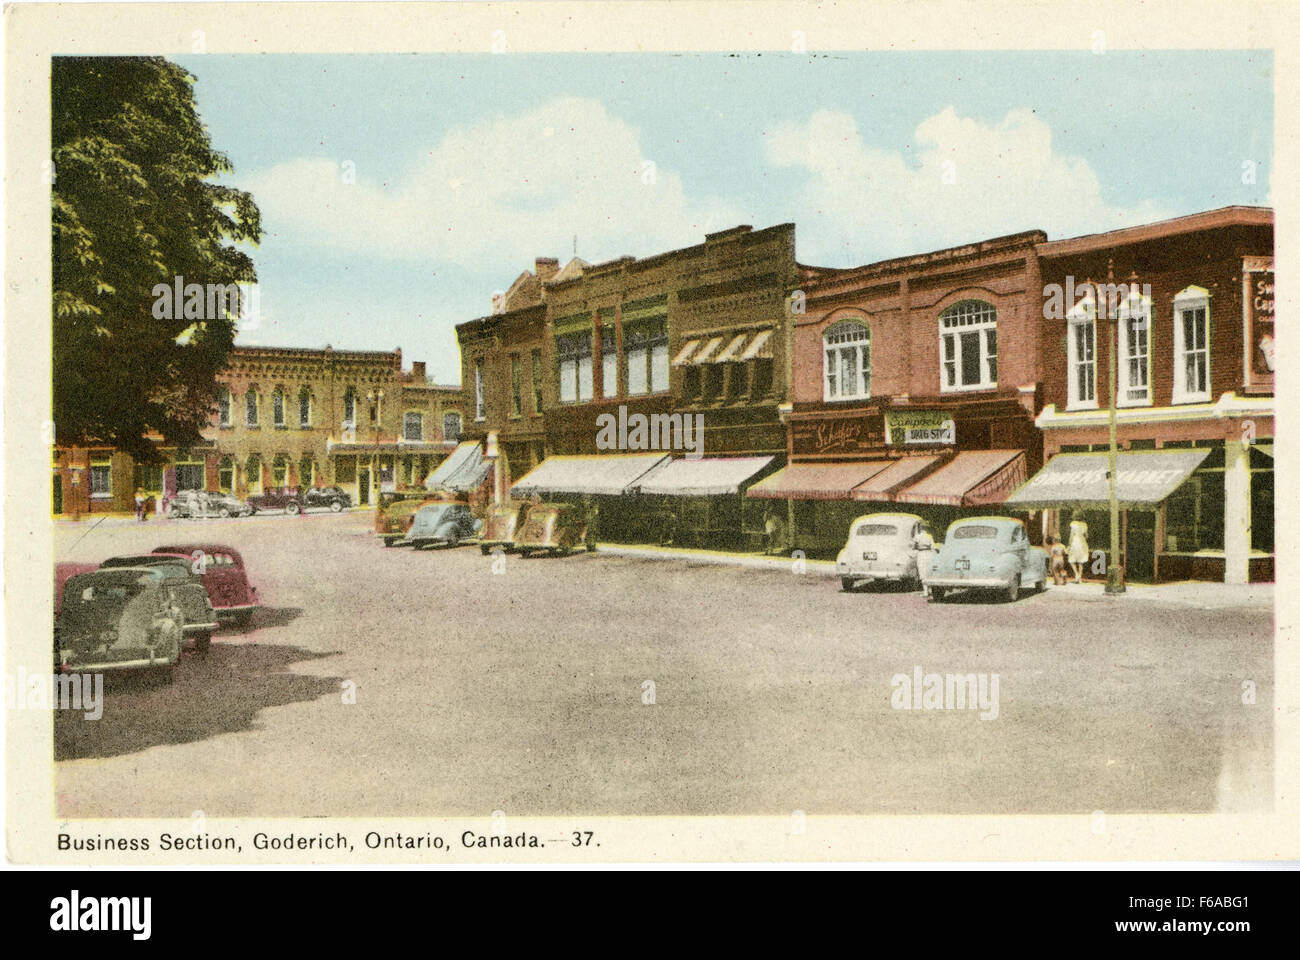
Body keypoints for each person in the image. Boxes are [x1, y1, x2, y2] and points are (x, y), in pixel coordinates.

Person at [1067, 519, 1090, 584]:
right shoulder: (1084, 525)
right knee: (1081, 561)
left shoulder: (1073, 524)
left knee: (1072, 559)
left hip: (1075, 542)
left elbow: (1071, 535)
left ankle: (1076, 574)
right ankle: (1079, 578)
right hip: (1082, 542)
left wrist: (1069, 544)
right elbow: (1087, 535)